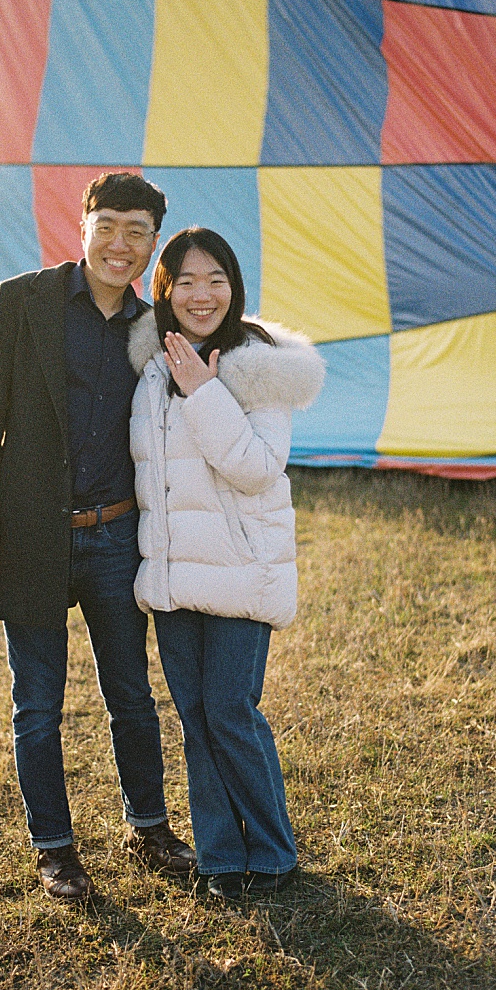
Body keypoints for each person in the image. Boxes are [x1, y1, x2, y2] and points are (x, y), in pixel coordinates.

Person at [0, 172, 200, 900]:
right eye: (109, 227)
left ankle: (149, 826)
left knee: (131, 693)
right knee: (37, 702)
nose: (120, 245)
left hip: (116, 537)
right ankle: (55, 849)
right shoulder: (21, 299)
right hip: (30, 535)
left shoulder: (154, 328)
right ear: (83, 225)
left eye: (138, 233)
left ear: (153, 243)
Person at [127, 227, 325, 902]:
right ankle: (219, 855)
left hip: (242, 570)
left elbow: (257, 471)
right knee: (194, 715)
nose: (200, 294)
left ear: (234, 287)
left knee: (231, 710)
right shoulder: (152, 370)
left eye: (215, 279)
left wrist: (204, 392)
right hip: (180, 574)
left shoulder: (256, 365)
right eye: (184, 281)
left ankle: (271, 852)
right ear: (164, 291)